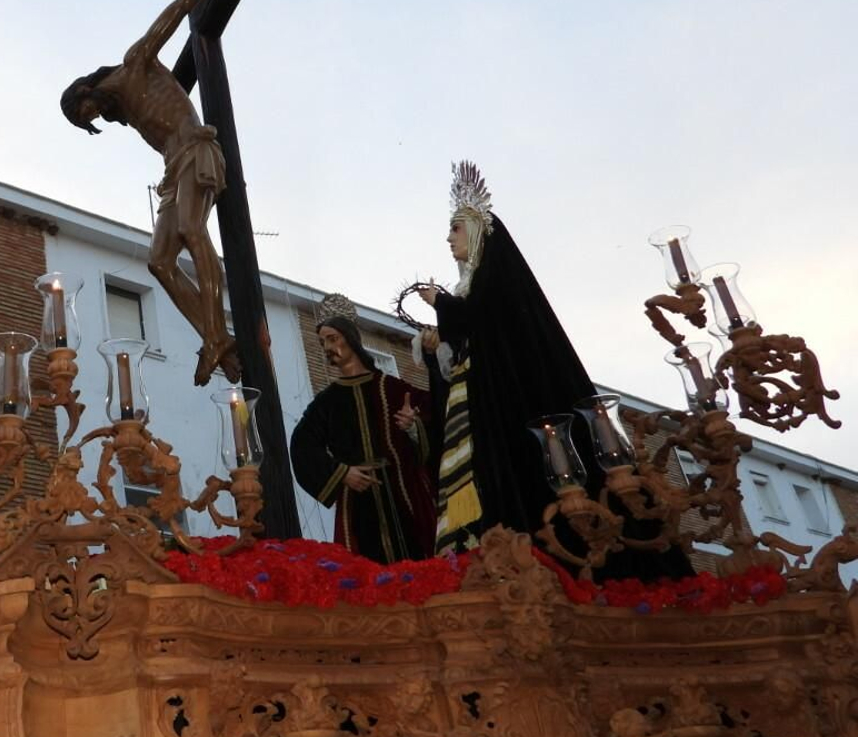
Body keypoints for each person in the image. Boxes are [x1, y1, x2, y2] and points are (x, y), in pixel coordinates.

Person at [415, 162, 690, 579]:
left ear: (478, 232)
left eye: (455, 229)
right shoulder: (468, 293)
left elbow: (486, 322)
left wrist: (443, 306)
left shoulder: (497, 282)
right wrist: (437, 342)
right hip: (481, 408)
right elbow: (472, 333)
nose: (447, 239)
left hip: (511, 405)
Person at [61, 0, 245, 386]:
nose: (97, 118)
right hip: (172, 169)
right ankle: (214, 336)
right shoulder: (124, 107)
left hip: (195, 148)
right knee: (159, 260)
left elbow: (182, 5)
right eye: (90, 123)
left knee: (190, 227)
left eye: (89, 112)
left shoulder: (136, 63)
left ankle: (218, 333)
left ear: (87, 90)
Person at [290, 294, 438, 562]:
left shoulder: (391, 387)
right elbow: (302, 446)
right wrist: (342, 473)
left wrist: (414, 428)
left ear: (351, 338)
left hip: (403, 494)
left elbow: (439, 411)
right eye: (323, 342)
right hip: (357, 502)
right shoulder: (326, 403)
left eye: (333, 338)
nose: (327, 347)